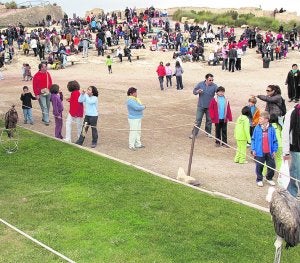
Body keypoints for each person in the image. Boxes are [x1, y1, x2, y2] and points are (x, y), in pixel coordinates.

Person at [251, 111, 278, 187]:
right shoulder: (257, 128)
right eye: (259, 118)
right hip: (259, 152)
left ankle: (269, 178)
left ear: (266, 120)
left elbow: (275, 140)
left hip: (269, 152)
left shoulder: (272, 128)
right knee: (259, 166)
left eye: (261, 119)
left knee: (272, 166)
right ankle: (259, 179)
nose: (259, 120)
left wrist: (274, 150)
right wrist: (253, 149)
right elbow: (253, 139)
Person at [190, 73, 218, 138]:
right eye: (210, 80)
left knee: (209, 120)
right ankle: (194, 133)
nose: (211, 81)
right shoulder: (200, 84)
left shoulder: (214, 86)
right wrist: (198, 91)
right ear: (206, 79)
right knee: (198, 119)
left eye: (212, 80)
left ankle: (208, 132)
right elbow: (194, 92)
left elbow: (218, 92)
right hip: (201, 106)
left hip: (210, 107)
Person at [282, 103, 300, 198]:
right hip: (296, 146)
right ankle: (291, 193)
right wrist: (286, 151)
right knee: (296, 170)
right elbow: (285, 132)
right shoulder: (292, 113)